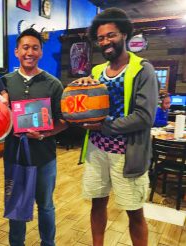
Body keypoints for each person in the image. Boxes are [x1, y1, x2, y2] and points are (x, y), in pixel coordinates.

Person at [74, 8, 159, 246]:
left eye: (111, 35)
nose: (105, 41)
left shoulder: (143, 69)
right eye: (101, 38)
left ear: (124, 34)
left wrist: (105, 125)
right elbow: (86, 106)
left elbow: (144, 117)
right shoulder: (97, 71)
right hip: (96, 150)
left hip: (127, 154)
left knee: (134, 211)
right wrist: (80, 90)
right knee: (97, 203)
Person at [2, 28, 67, 246]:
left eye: (35, 48)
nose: (30, 52)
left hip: (44, 156)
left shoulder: (53, 84)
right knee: (16, 204)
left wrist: (44, 134)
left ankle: (48, 243)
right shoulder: (5, 82)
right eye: (25, 47)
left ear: (41, 52)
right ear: (16, 51)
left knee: (46, 205)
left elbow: (63, 121)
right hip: (14, 156)